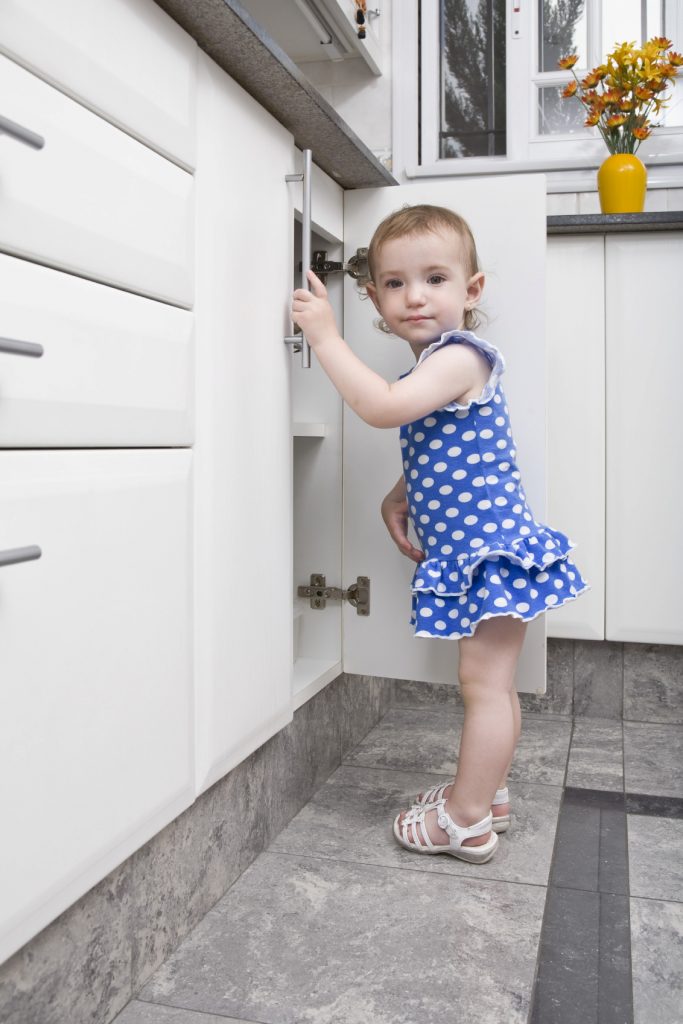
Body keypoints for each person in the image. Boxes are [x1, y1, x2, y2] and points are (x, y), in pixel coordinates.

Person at [291, 204, 588, 864]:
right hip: (487, 552)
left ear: (470, 291)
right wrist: (399, 496)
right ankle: (487, 794)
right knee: (492, 686)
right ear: (374, 295)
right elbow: (440, 444)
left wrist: (325, 339)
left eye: (433, 278)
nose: (414, 296)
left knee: (482, 687)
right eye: (394, 283)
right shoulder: (432, 367)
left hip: (488, 555)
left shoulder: (456, 357)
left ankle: (466, 821)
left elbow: (382, 410)